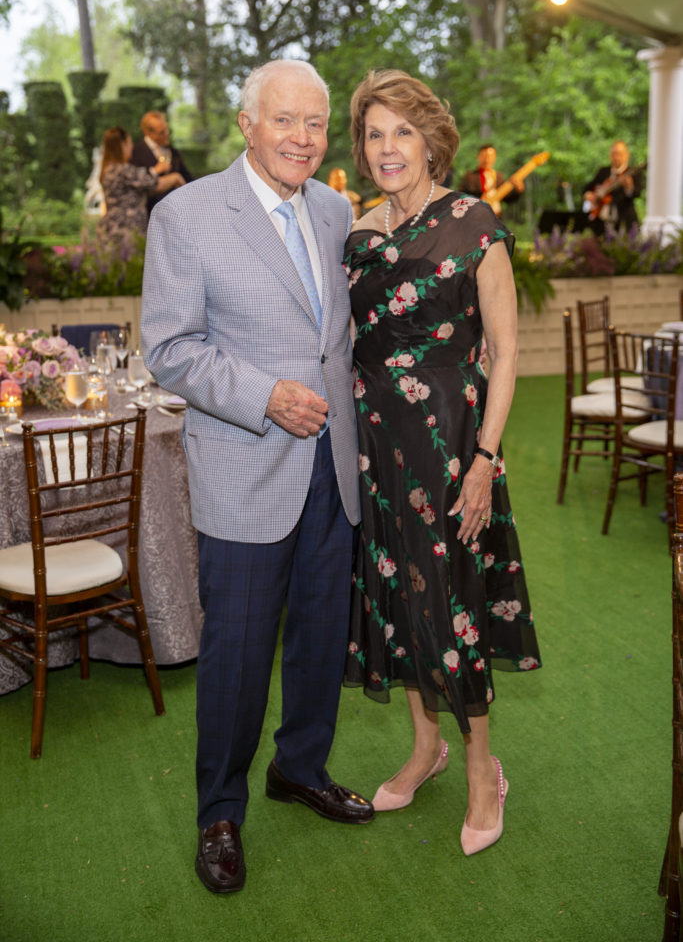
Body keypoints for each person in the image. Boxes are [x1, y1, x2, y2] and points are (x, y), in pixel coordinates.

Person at [141, 59, 373, 896]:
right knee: (236, 655)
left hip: (332, 472)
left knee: (319, 637)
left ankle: (300, 767)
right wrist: (263, 396)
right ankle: (220, 812)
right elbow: (168, 347)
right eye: (285, 121)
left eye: (314, 124)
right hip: (244, 465)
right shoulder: (187, 213)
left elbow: (339, 339)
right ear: (247, 124)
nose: (302, 139)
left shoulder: (336, 209)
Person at [344, 70, 541, 856]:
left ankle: (481, 768)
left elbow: (506, 349)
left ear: (430, 139)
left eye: (402, 132)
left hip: (452, 443)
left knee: (453, 600)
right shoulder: (356, 233)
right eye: (373, 133)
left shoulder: (473, 222)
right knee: (401, 598)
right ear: (360, 149)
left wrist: (485, 460)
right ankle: (424, 749)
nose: (387, 148)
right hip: (376, 452)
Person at [95, 126, 184, 252]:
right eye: (130, 143)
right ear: (123, 145)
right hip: (126, 229)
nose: (132, 147)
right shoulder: (123, 170)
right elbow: (156, 184)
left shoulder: (108, 169)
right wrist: (176, 177)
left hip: (110, 227)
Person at [131, 110, 194, 214]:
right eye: (161, 133)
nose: (166, 135)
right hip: (148, 212)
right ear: (148, 132)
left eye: (167, 130)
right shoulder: (136, 152)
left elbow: (187, 178)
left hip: (175, 211)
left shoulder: (173, 152)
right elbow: (134, 182)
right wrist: (154, 170)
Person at [582, 140, 644, 236]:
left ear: (627, 155)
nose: (617, 157)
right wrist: (589, 195)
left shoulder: (633, 173)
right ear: (610, 156)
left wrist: (629, 186)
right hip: (600, 224)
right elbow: (587, 188)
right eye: (614, 154)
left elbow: (636, 193)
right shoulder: (604, 172)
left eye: (620, 154)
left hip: (624, 223)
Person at [458, 143, 524, 212]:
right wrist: (479, 198)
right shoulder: (469, 177)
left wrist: (518, 191)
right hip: (477, 214)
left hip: (496, 217)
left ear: (495, 157)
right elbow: (461, 196)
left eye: (491, 156)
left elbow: (507, 199)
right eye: (484, 156)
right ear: (478, 156)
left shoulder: (499, 177)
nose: (487, 159)